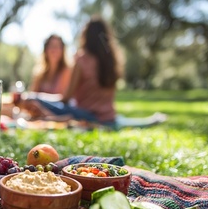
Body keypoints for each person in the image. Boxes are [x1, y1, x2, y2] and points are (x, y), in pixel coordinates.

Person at [26, 15, 166, 129]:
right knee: (122, 122)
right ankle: (152, 120)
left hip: (88, 116)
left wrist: (38, 97)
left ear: (85, 36)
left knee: (35, 98)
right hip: (109, 117)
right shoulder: (111, 59)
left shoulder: (81, 59)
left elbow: (65, 99)